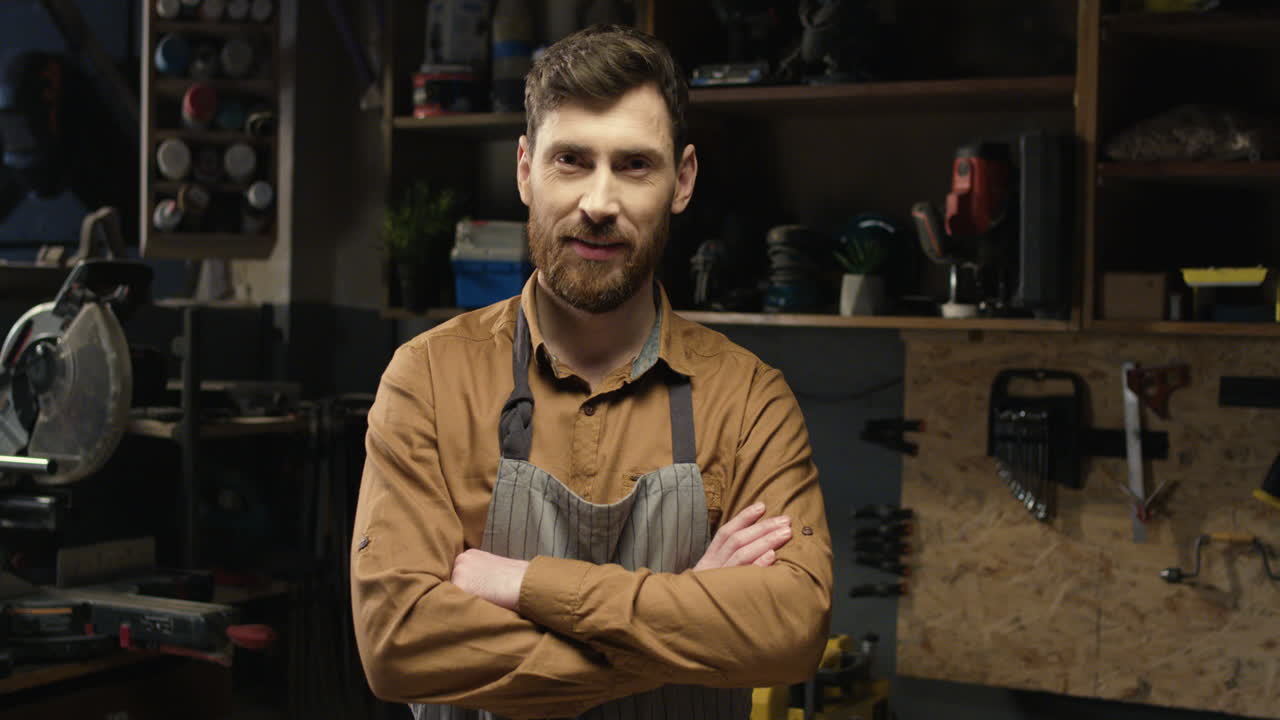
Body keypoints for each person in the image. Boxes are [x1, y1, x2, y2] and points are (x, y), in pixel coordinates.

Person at [351, 24, 833, 720]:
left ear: (682, 181)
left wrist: (522, 584)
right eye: (571, 160)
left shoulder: (749, 398)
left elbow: (790, 630)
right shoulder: (427, 379)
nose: (600, 203)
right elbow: (397, 644)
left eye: (634, 165)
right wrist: (688, 613)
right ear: (525, 169)